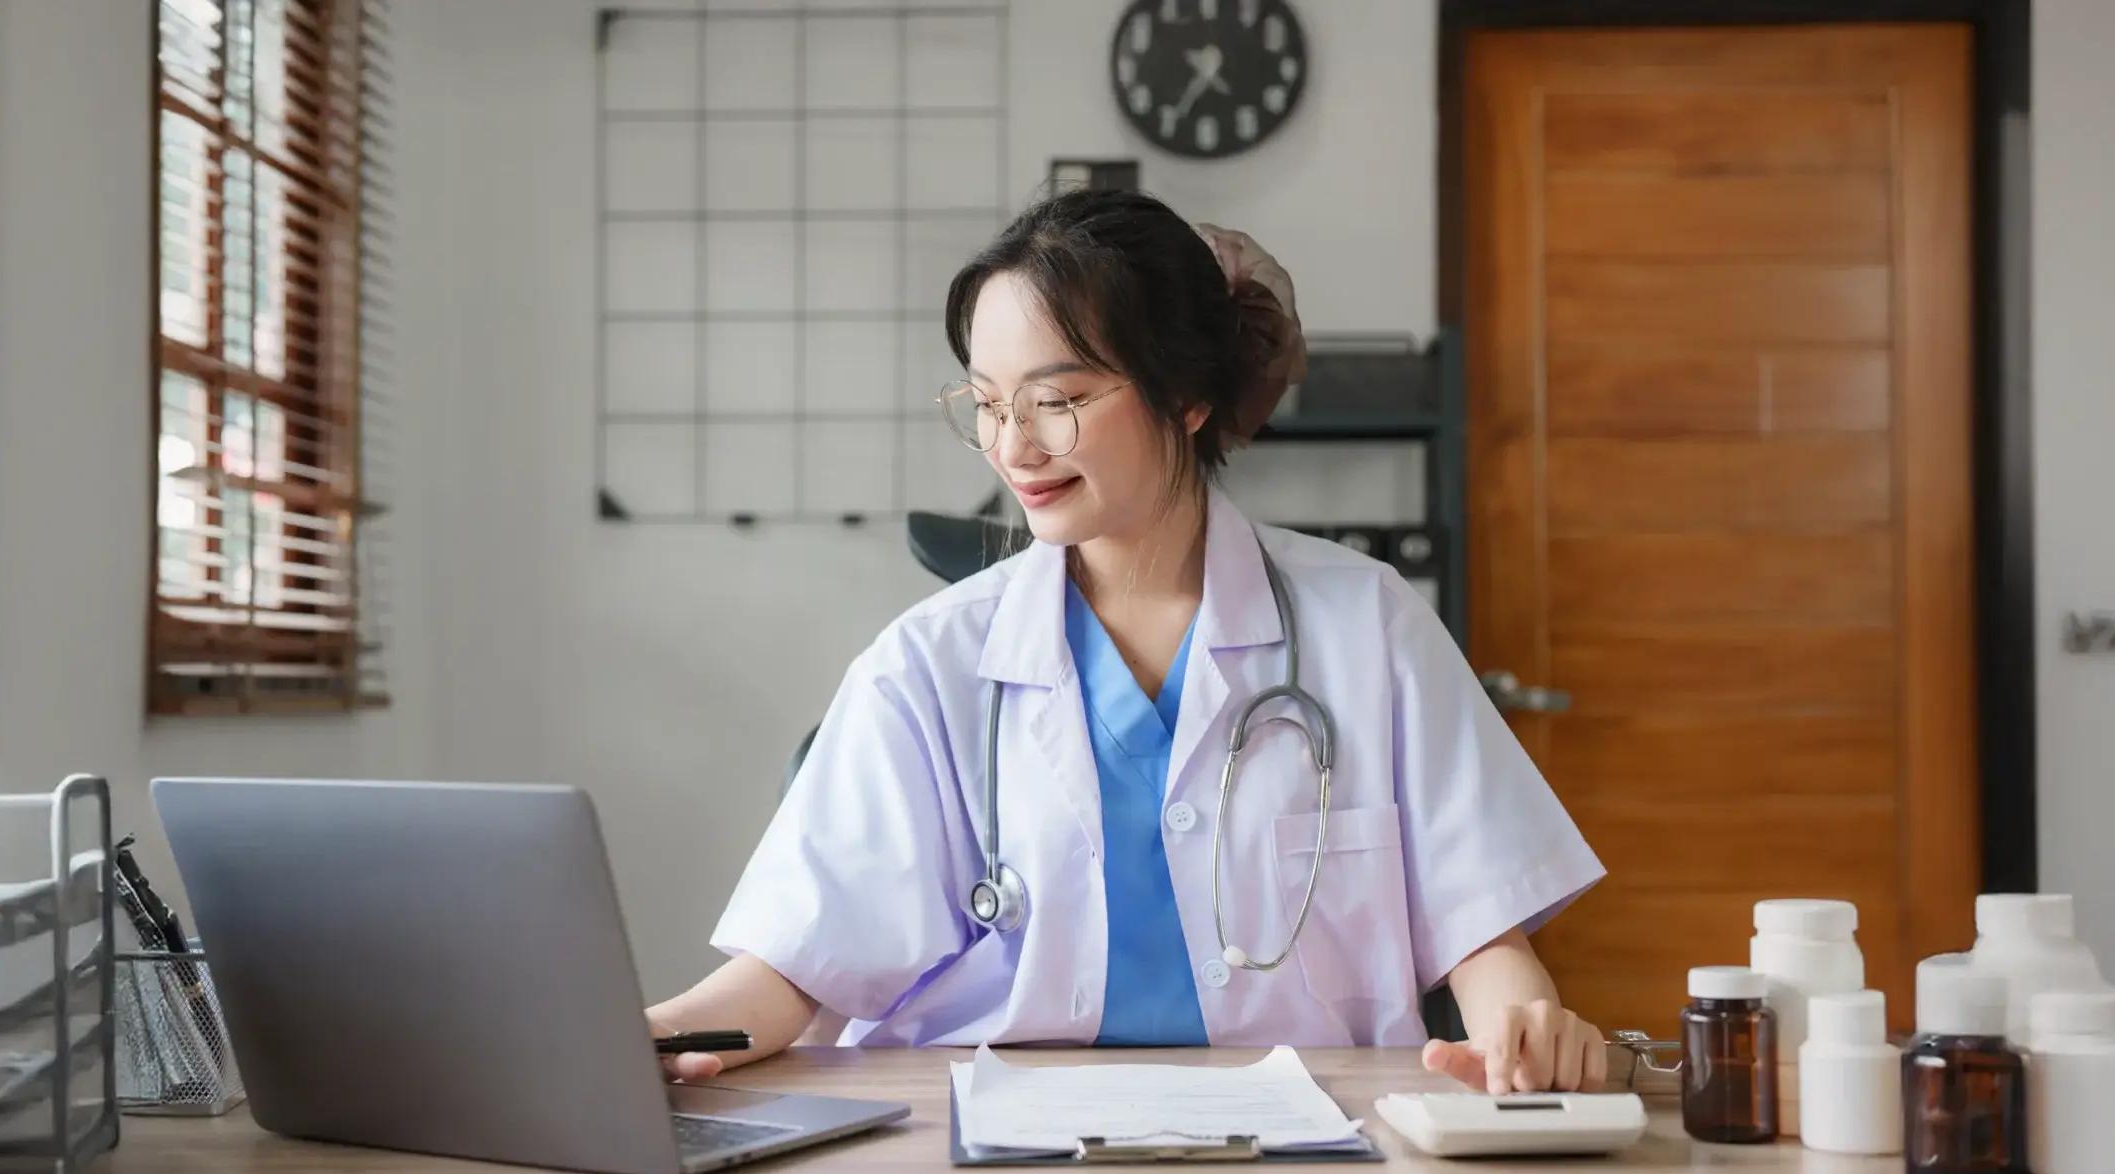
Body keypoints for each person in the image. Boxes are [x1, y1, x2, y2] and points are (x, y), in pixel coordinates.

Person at [649, 189, 1607, 1095]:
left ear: (1186, 395)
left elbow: (1481, 928)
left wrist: (1525, 1026)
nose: (1012, 447)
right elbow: (794, 965)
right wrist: (665, 1032)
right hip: (980, 1157)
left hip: (1311, 1143)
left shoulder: (1369, 628)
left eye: (1055, 400)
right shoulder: (925, 666)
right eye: (986, 402)